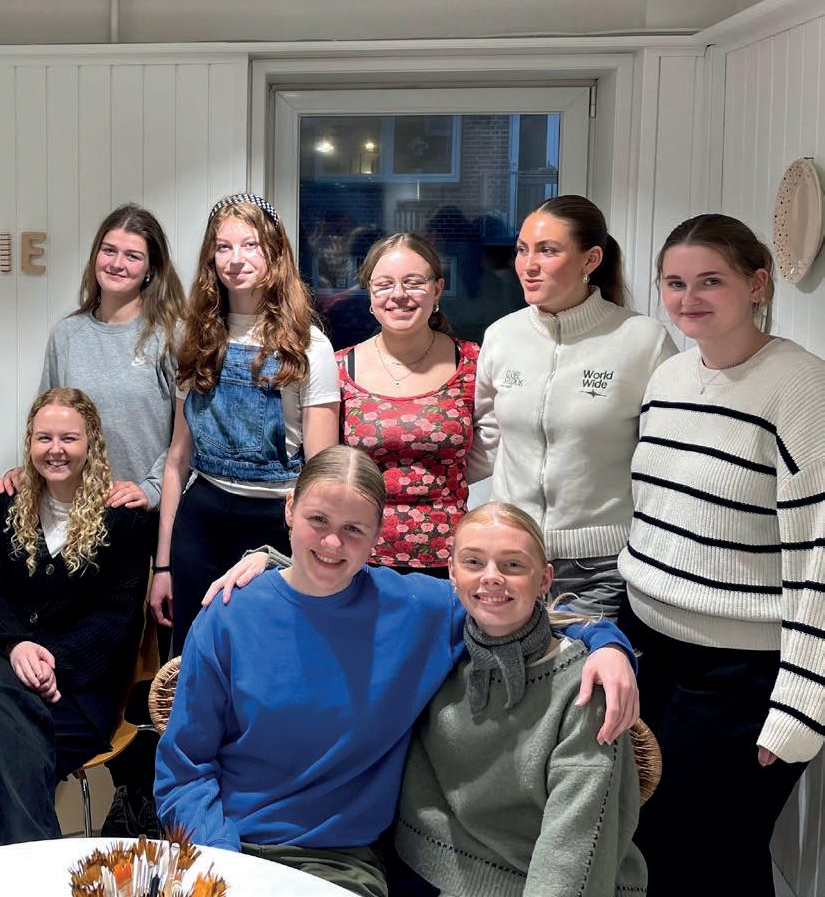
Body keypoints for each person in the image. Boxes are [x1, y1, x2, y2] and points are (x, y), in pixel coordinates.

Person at [157, 446, 639, 896]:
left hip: (336, 860)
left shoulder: (416, 608)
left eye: (354, 529)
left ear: (377, 534)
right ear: (289, 510)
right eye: (317, 520)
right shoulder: (229, 613)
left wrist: (608, 643)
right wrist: (220, 861)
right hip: (219, 842)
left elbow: (520, 607)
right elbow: (184, 768)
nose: (332, 542)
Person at [617, 214, 825, 893]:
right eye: (674, 283)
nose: (688, 298)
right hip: (648, 646)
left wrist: (801, 702)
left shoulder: (801, 388)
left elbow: (818, 554)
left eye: (711, 280)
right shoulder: (669, 377)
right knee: (644, 840)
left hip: (739, 673)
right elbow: (656, 510)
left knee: (712, 853)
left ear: (756, 284)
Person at [392, 502, 647, 897]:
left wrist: (609, 644)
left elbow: (574, 847)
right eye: (474, 562)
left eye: (513, 565)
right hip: (425, 863)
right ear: (452, 572)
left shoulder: (584, 687)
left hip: (536, 878)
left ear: (544, 579)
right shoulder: (438, 641)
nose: (491, 577)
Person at [0, 388, 155, 851]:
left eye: (69, 438)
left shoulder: (123, 519)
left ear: (91, 443)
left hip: (77, 691)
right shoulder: (8, 503)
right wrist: (17, 645)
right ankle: (36, 873)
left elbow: (116, 621)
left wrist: (50, 663)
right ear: (30, 442)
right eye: (44, 438)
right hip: (0, 659)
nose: (56, 449)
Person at [150, 193, 340, 655]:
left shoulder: (308, 346)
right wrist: (163, 565)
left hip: (277, 523)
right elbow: (177, 459)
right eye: (223, 247)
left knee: (272, 655)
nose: (235, 259)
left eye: (250, 245)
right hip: (202, 521)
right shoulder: (194, 337)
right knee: (194, 656)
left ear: (275, 252)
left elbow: (322, 470)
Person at [469, 195, 677, 616]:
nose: (529, 265)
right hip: (509, 556)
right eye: (522, 250)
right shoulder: (502, 336)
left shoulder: (643, 340)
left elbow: (667, 459)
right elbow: (487, 441)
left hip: (602, 565)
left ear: (591, 259)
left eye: (547, 251)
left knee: (584, 662)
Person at [0, 203, 185, 509]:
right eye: (109, 251)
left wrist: (152, 489)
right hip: (76, 511)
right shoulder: (66, 335)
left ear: (151, 269)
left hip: (139, 511)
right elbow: (46, 425)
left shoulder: (172, 336)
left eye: (132, 256)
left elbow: (187, 437)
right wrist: (27, 473)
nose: (117, 264)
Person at [339, 233, 479, 577]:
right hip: (358, 558)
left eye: (414, 282)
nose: (399, 294)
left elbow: (492, 452)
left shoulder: (474, 361)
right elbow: (327, 471)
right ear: (370, 295)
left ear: (437, 289)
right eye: (384, 284)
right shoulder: (338, 367)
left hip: (452, 561)